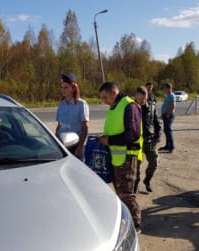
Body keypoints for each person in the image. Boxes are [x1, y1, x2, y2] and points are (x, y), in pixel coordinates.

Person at [98, 82, 143, 232]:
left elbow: (132, 134)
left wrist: (109, 140)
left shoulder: (129, 106)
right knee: (120, 193)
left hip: (128, 157)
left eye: (105, 97)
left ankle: (136, 225)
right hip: (117, 157)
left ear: (113, 92)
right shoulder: (114, 107)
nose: (104, 101)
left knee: (127, 194)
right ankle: (127, 221)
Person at [55, 73, 89, 159]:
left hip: (76, 146)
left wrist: (79, 148)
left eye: (66, 87)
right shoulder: (61, 105)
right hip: (62, 146)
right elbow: (59, 126)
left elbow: (85, 128)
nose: (63, 90)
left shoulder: (81, 104)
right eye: (62, 87)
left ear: (73, 88)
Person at [134, 86, 161, 193]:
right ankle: (135, 185)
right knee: (136, 166)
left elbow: (157, 123)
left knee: (154, 163)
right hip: (137, 142)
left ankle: (147, 180)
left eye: (143, 99)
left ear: (146, 96)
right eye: (138, 99)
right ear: (135, 97)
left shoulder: (152, 107)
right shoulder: (131, 108)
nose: (140, 101)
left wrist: (158, 136)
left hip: (150, 140)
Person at [159, 82, 176, 153]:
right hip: (165, 115)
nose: (164, 90)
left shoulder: (172, 96)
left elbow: (173, 106)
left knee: (168, 131)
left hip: (169, 115)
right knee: (166, 130)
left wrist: (168, 114)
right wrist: (163, 114)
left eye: (165, 88)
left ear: (169, 88)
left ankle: (171, 146)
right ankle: (167, 145)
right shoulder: (168, 95)